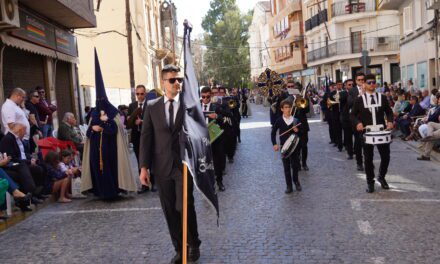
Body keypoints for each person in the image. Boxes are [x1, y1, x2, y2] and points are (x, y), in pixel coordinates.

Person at [139, 65, 201, 263]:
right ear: (163, 83)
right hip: (162, 166)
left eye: (179, 80)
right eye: (173, 80)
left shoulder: (189, 104)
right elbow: (146, 138)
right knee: (170, 210)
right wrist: (143, 168)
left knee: (184, 206)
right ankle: (179, 249)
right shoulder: (152, 107)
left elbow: (200, 131)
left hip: (184, 165)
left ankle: (193, 244)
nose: (177, 83)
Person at [80, 53, 137, 199]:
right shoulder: (93, 114)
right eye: (98, 100)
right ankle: (100, 192)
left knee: (110, 170)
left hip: (111, 150)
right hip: (95, 149)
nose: (100, 102)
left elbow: (115, 130)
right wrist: (93, 128)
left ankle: (112, 192)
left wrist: (105, 123)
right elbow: (88, 134)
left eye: (102, 99)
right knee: (97, 170)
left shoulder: (113, 113)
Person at [351, 74, 394, 193]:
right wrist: (358, 123)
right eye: (369, 82)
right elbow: (353, 115)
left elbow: (389, 112)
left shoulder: (383, 97)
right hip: (367, 132)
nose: (371, 84)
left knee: (386, 157)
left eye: (373, 82)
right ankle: (370, 182)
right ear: (364, 84)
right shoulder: (359, 100)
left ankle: (382, 176)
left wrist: (390, 121)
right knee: (368, 159)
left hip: (381, 132)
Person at [0, 123, 47, 204]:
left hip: (16, 162)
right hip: (10, 164)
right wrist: (28, 161)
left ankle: (38, 192)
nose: (25, 134)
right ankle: (32, 193)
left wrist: (31, 159)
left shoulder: (16, 139)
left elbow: (23, 154)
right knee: (23, 167)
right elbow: (11, 157)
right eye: (24, 132)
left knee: (39, 166)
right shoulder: (8, 139)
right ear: (20, 130)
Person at [271, 99, 302, 193]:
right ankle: (289, 186)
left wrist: (297, 130)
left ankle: (296, 182)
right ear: (282, 109)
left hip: (295, 147)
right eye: (285, 107)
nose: (288, 109)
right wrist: (275, 144)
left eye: (289, 107)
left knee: (295, 165)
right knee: (286, 167)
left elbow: (301, 132)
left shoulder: (296, 120)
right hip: (284, 147)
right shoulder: (279, 120)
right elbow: (273, 133)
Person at [201, 86, 226, 191]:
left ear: (211, 96)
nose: (206, 99)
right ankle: (206, 183)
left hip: (215, 139)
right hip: (202, 139)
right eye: (203, 97)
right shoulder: (197, 107)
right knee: (203, 162)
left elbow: (223, 119)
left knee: (217, 161)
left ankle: (219, 181)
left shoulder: (216, 106)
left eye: (208, 97)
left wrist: (216, 117)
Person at [1, 88, 31, 153]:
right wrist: (20, 139)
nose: (23, 100)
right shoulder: (8, 106)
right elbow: (11, 125)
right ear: (17, 95)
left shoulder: (15, 105)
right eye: (23, 97)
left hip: (23, 139)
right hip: (18, 140)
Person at [291, 82, 310, 171]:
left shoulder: (303, 98)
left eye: (297, 88)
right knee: (295, 146)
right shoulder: (289, 99)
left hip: (303, 125)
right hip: (293, 126)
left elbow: (307, 110)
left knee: (304, 145)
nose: (295, 90)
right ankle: (297, 162)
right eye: (294, 88)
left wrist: (302, 100)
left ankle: (304, 163)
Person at [348, 73, 366, 171]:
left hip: (368, 120)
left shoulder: (369, 89)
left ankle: (368, 160)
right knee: (358, 142)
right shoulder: (352, 91)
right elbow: (349, 103)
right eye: (359, 80)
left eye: (363, 79)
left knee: (368, 143)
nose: (361, 81)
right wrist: (360, 95)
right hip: (357, 120)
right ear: (356, 81)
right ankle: (359, 163)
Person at [339, 79, 355, 159]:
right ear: (345, 86)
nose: (351, 86)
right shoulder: (343, 93)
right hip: (346, 118)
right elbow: (343, 100)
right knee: (348, 136)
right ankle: (350, 153)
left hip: (355, 118)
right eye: (349, 85)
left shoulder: (357, 92)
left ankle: (356, 150)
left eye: (352, 84)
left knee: (358, 137)